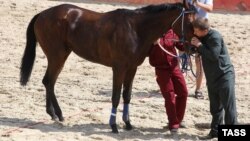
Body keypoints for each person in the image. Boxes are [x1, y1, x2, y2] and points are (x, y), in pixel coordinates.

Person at [191, 17, 238, 139]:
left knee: (229, 108)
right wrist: (195, 47)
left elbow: (213, 55)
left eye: (196, 31)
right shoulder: (202, 37)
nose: (195, 33)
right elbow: (200, 49)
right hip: (212, 77)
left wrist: (199, 46)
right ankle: (215, 132)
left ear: (205, 30)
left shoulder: (215, 36)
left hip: (224, 76)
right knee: (215, 108)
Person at [149, 29, 188, 132]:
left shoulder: (172, 32)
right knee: (169, 96)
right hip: (161, 69)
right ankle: (173, 123)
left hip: (175, 67)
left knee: (183, 92)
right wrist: (152, 44)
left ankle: (178, 119)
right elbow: (143, 50)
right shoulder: (152, 32)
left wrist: (186, 43)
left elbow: (181, 46)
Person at [189, 0, 213, 99]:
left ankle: (198, 89)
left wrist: (197, 3)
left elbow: (210, 9)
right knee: (180, 56)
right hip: (189, 29)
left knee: (199, 61)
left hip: (200, 31)